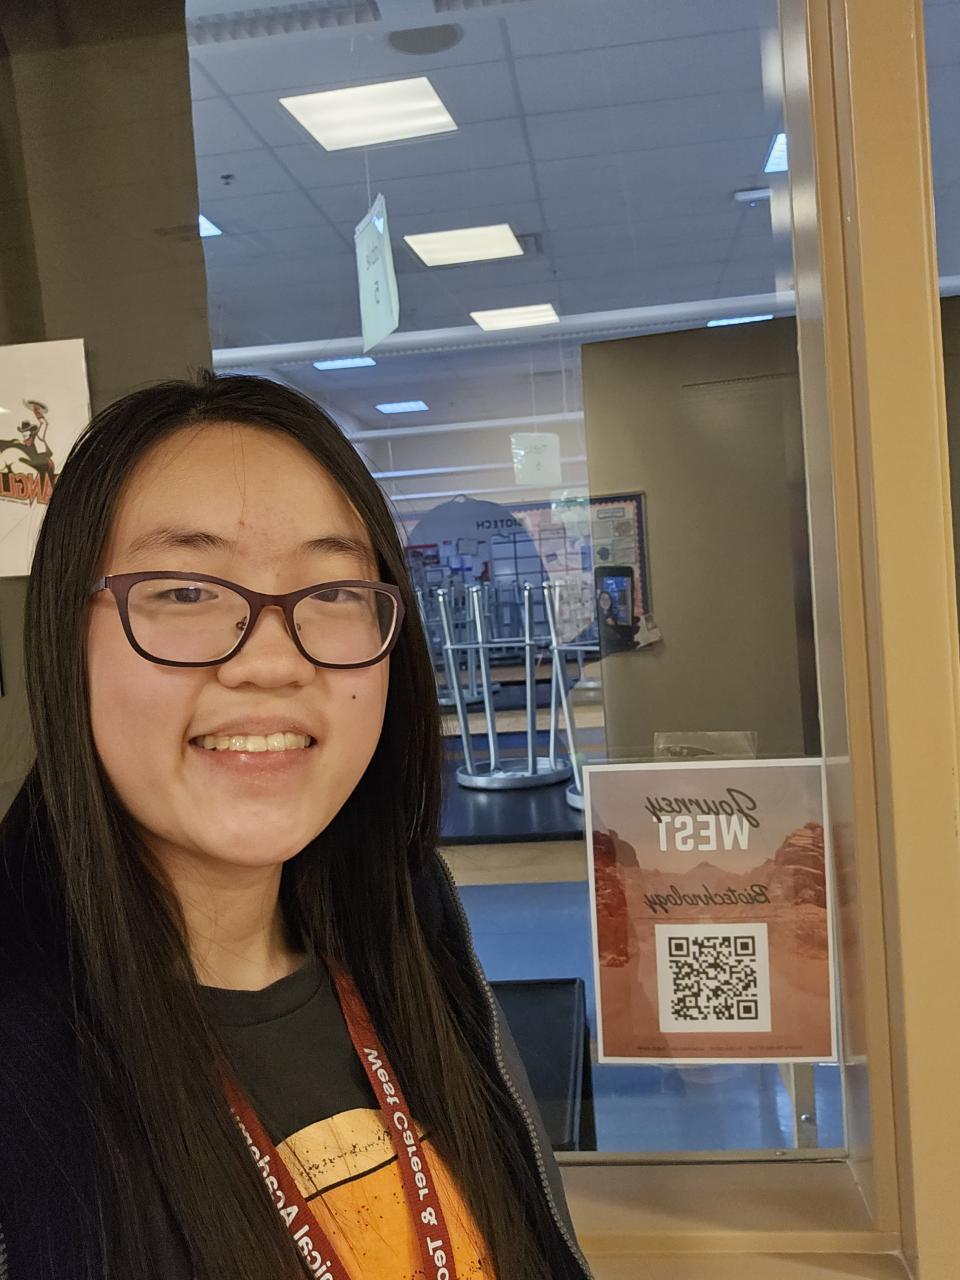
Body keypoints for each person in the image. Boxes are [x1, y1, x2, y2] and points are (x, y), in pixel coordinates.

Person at [0, 373, 593, 1280]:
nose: (272, 661)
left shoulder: (412, 930)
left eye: (333, 590)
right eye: (186, 592)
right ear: (64, 636)